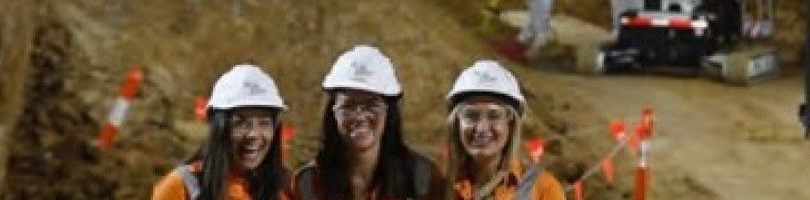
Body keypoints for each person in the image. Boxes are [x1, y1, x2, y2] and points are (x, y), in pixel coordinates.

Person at [292, 45, 451, 200]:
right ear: (333, 113)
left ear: (389, 112)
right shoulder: (307, 184)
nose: (360, 116)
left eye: (371, 105)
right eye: (348, 106)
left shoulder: (422, 179)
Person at [152, 64, 291, 200]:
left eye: (264, 123)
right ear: (218, 128)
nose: (253, 134)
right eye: (241, 123)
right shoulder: (182, 187)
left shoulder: (283, 190)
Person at [441, 60, 564, 200]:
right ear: (457, 124)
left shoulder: (543, 189)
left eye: (494, 115)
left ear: (511, 124)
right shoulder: (438, 186)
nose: (481, 128)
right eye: (471, 115)